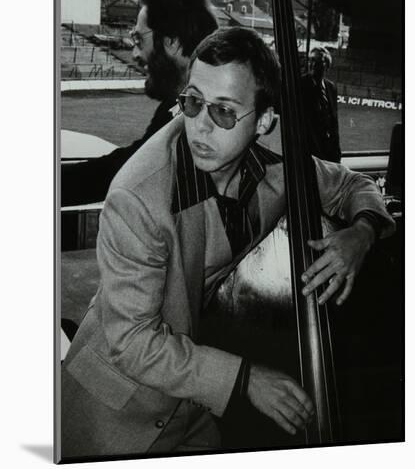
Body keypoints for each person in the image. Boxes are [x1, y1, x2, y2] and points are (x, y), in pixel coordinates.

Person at [60, 27, 395, 459]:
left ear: (265, 121)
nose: (199, 126)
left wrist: (362, 234)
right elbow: (132, 342)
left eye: (223, 111)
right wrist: (246, 379)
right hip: (112, 411)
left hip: (195, 408)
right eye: (193, 102)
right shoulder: (137, 197)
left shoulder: (273, 166)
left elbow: (352, 183)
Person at [61, 0, 218, 206]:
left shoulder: (198, 113)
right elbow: (128, 162)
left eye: (138, 39)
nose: (135, 54)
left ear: (172, 42)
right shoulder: (177, 104)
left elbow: (125, 173)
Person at [301, 46, 341, 163]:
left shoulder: (331, 88)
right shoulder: (300, 85)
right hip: (309, 156)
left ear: (327, 66)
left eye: (317, 61)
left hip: (329, 155)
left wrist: (336, 154)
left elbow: (334, 123)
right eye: (310, 60)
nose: (312, 64)